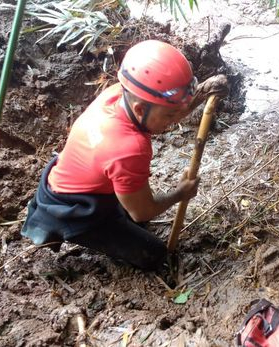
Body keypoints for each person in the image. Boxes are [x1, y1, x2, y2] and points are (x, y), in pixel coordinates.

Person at [21, 40, 228, 271]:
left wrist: (201, 94)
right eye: (170, 115)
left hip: (72, 182)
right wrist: (181, 193)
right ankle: (77, 231)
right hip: (74, 209)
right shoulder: (130, 147)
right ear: (140, 109)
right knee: (154, 253)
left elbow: (165, 109)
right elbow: (142, 211)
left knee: (138, 217)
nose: (174, 121)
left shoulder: (118, 94)